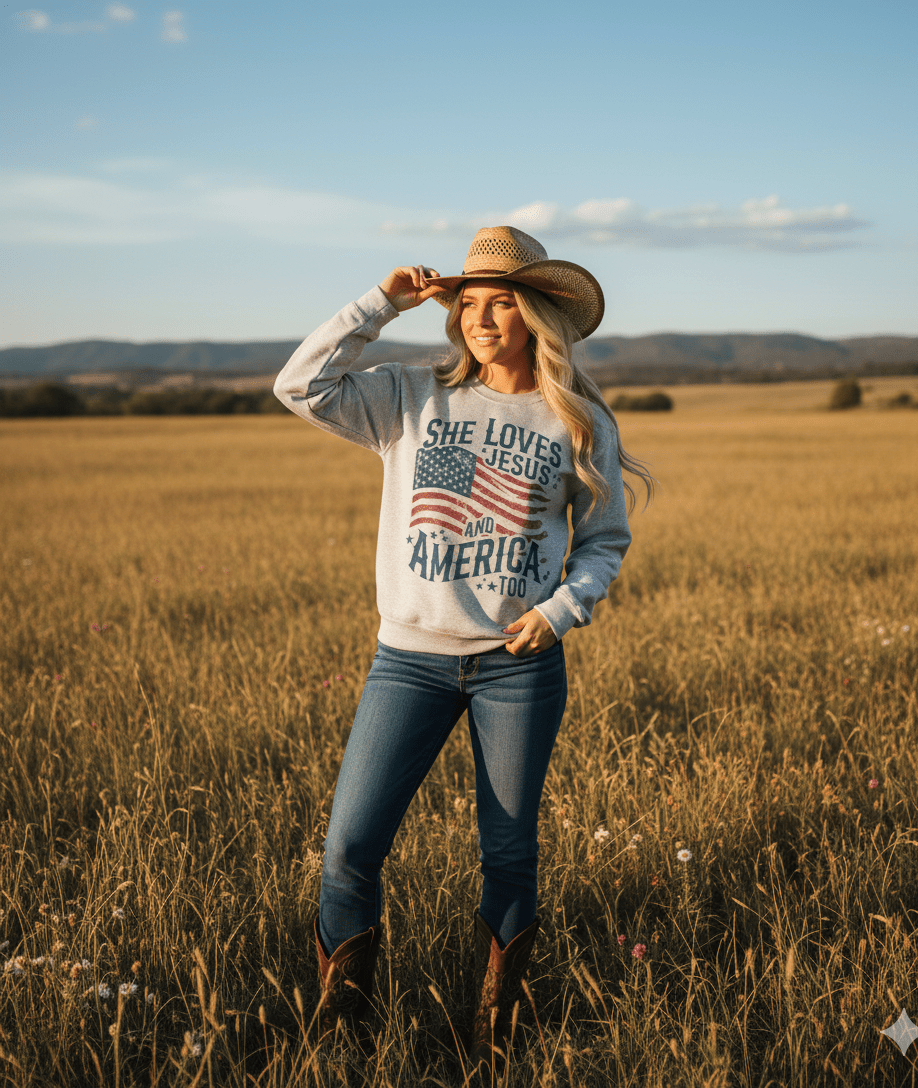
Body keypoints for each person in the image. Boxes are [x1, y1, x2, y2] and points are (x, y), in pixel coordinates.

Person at [273, 225, 652, 1065]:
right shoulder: (411, 398)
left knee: (508, 853)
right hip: (408, 660)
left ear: (538, 314)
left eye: (501, 301)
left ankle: (497, 1034)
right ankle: (341, 1034)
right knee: (349, 848)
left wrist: (561, 612)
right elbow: (298, 384)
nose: (481, 318)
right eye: (468, 303)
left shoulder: (577, 420)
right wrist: (380, 304)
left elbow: (604, 541)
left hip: (518, 668)